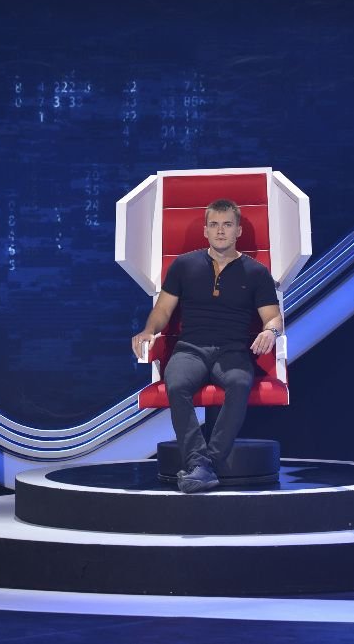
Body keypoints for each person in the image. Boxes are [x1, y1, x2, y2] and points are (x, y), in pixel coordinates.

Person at [130, 198, 282, 493]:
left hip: (233, 350)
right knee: (176, 384)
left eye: (227, 224)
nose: (220, 231)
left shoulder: (256, 272)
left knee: (239, 383)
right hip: (191, 348)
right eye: (214, 224)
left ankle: (204, 465)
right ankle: (201, 463)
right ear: (205, 230)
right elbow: (163, 310)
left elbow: (273, 317)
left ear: (238, 230)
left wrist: (271, 332)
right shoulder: (184, 265)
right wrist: (148, 331)